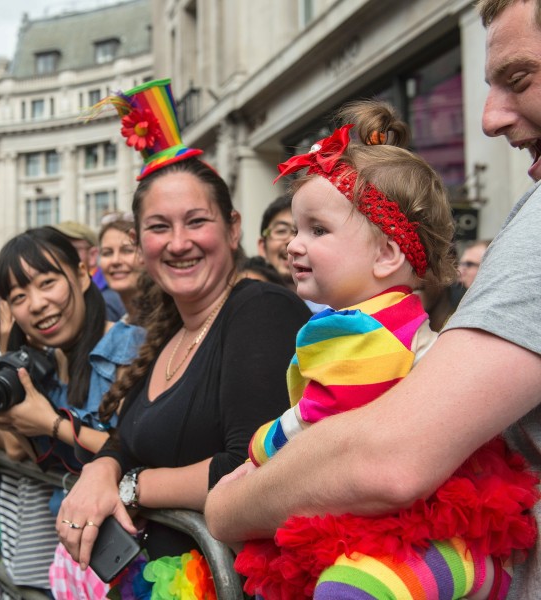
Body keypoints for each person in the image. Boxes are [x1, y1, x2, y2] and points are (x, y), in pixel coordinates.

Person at [204, 2, 541, 598]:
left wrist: (236, 489)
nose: (489, 118)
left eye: (520, 78)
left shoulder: (366, 329)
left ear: (387, 255)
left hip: (436, 530)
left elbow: (379, 452)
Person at [56, 78, 310, 594]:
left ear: (233, 228)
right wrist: (101, 471)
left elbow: (253, 465)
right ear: (138, 241)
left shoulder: (260, 311)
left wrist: (130, 488)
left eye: (196, 221)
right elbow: (129, 440)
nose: (178, 243)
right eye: (158, 227)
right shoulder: (170, 329)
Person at [0, 227, 146, 595]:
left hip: (138, 563)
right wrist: (12, 421)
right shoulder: (41, 368)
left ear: (81, 273)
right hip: (77, 562)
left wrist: (51, 423)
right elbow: (44, 461)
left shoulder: (128, 347)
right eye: (20, 296)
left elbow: (135, 451)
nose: (38, 303)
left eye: (47, 283)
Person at [51, 220, 127, 321]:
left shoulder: (105, 299)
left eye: (68, 249)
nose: (59, 256)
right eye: (54, 249)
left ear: (93, 255)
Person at [97, 212, 143, 322]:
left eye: (127, 250)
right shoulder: (119, 329)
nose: (115, 261)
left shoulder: (172, 321)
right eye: (107, 253)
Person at [257, 194, 296, 287]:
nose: (292, 240)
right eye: (281, 231)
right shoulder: (249, 297)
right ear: (262, 247)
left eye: (298, 231)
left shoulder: (332, 300)